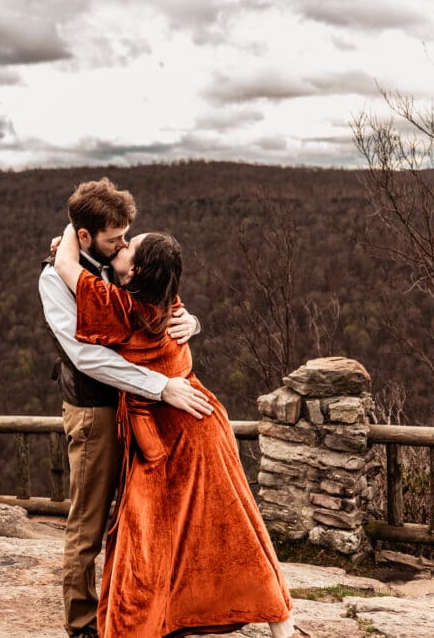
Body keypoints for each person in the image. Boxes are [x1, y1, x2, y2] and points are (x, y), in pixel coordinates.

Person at [53, 223, 298, 638]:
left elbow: (63, 267)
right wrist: (193, 322)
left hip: (174, 432)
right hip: (202, 421)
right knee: (230, 525)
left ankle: (142, 622)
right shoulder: (167, 300)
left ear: (136, 273)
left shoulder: (119, 307)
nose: (125, 243)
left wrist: (74, 234)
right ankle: (278, 622)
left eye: (132, 244)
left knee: (146, 534)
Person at [39, 178, 215, 637]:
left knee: (137, 520)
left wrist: (190, 322)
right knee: (89, 524)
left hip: (138, 413)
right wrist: (162, 386)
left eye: (125, 237)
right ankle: (81, 623)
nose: (122, 246)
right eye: (113, 238)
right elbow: (87, 357)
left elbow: (154, 306)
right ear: (84, 237)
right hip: (95, 413)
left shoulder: (119, 267)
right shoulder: (53, 278)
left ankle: (142, 609)